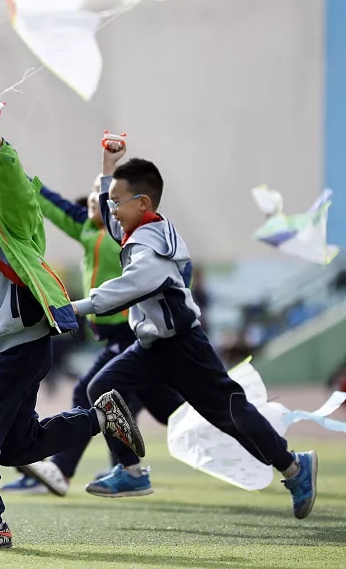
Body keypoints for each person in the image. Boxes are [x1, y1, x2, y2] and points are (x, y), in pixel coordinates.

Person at [0, 100, 143, 549]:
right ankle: (101, 416)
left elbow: (19, 192)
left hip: (27, 343)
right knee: (16, 446)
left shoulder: (12, 217)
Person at [75, 137, 317, 518]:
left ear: (143, 204)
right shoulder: (142, 228)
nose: (111, 209)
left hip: (184, 347)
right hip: (152, 347)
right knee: (101, 387)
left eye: (117, 201)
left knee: (231, 415)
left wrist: (72, 308)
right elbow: (111, 219)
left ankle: (295, 467)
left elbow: (126, 288)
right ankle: (132, 472)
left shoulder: (149, 249)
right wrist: (108, 170)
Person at [2, 178, 184, 497]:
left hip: (134, 333)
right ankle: (248, 438)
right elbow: (54, 206)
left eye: (104, 197)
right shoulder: (88, 232)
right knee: (170, 410)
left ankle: (67, 470)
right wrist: (14, 176)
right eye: (92, 193)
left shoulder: (124, 236)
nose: (92, 198)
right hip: (119, 336)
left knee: (91, 390)